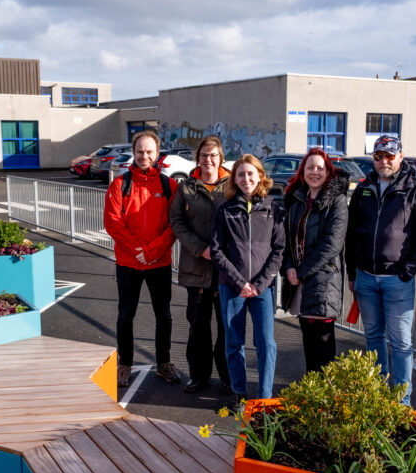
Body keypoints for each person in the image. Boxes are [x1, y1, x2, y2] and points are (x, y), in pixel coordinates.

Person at [345, 134, 416, 405]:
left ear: (400, 155)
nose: (384, 161)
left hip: (397, 280)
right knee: (373, 337)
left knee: (400, 343)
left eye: (389, 155)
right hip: (366, 278)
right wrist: (353, 273)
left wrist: (407, 270)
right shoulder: (363, 188)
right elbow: (352, 235)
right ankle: (378, 392)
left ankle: (401, 401)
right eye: (378, 156)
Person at [102, 131, 180, 387]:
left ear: (157, 154)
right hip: (128, 263)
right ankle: (124, 364)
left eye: (149, 152)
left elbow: (174, 224)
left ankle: (164, 363)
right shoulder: (119, 185)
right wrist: (138, 250)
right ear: (133, 153)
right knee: (126, 314)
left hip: (159, 262)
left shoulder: (170, 186)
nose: (144, 156)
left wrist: (153, 250)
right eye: (140, 151)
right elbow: (113, 222)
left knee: (163, 315)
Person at [210, 154, 285, 399]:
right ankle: (239, 393)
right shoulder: (225, 209)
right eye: (240, 174)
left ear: (260, 176)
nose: (246, 178)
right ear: (234, 179)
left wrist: (260, 284)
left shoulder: (273, 209)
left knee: (266, 344)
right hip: (232, 288)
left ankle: (264, 398)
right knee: (233, 344)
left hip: (263, 289)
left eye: (250, 173)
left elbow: (279, 249)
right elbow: (217, 251)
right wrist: (240, 283)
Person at [168, 136, 232, 394]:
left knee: (227, 327)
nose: (209, 159)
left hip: (227, 271)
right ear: (198, 158)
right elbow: (176, 221)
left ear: (221, 158)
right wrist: (199, 248)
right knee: (198, 327)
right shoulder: (186, 188)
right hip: (196, 268)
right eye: (204, 155)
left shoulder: (231, 186)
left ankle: (228, 377)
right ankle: (199, 376)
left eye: (213, 155)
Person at [282, 147, 350, 373]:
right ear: (303, 171)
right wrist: (289, 267)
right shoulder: (296, 199)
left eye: (320, 168)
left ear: (328, 171)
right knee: (309, 342)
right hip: (299, 281)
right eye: (310, 167)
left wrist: (300, 271)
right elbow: (287, 240)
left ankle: (324, 398)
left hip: (323, 280)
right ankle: (312, 394)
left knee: (323, 346)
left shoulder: (337, 201)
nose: (315, 172)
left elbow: (332, 244)